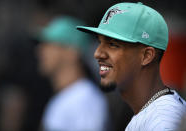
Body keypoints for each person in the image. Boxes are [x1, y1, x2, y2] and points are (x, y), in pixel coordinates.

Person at [77, 2, 186, 131]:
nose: (97, 53)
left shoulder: (162, 121)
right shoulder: (151, 112)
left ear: (146, 56)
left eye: (112, 44)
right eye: (100, 42)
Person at [36, 16, 109, 131]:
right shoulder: (69, 95)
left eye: (50, 44)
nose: (40, 50)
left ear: (72, 52)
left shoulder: (84, 100)